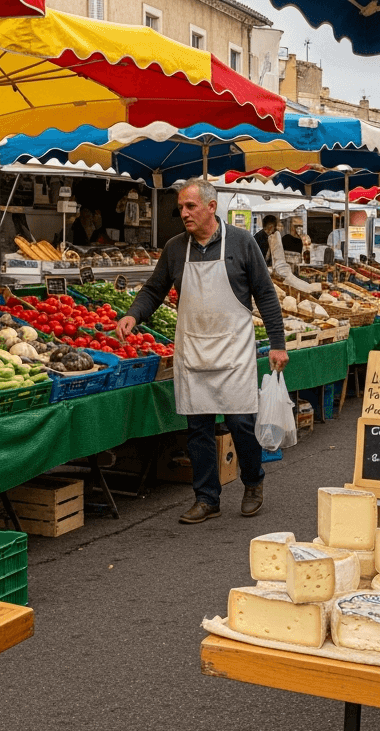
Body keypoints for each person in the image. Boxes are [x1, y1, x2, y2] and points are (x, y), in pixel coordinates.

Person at [119, 180, 287, 525]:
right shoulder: (175, 248)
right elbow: (154, 289)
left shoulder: (241, 243)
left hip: (234, 350)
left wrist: (278, 342)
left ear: (211, 207)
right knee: (198, 427)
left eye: (190, 206)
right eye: (181, 207)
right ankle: (207, 497)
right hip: (193, 349)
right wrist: (133, 313)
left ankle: (253, 484)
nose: (184, 213)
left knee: (241, 422)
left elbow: (266, 295)